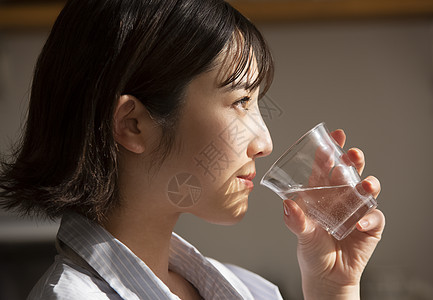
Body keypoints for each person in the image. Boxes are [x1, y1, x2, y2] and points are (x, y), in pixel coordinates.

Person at [0, 0, 385, 299]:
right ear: (132, 124)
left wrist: (333, 288)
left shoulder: (248, 290)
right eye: (240, 102)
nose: (265, 143)